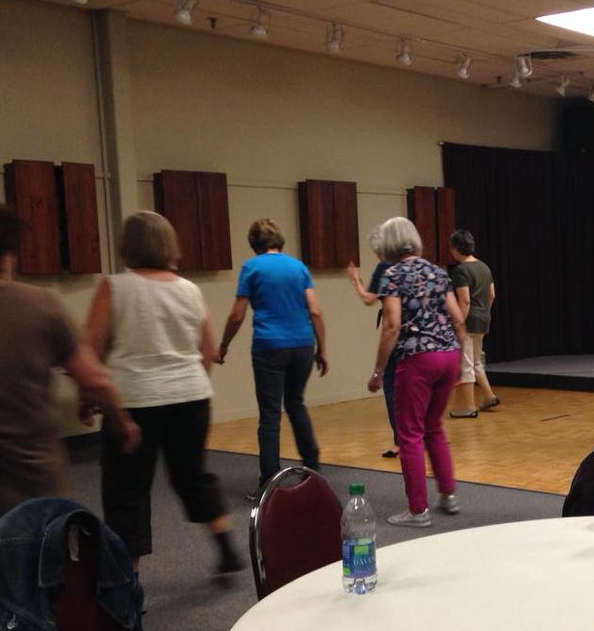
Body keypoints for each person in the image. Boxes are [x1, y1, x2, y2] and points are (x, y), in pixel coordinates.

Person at [0, 201, 138, 560]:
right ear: (6, 255)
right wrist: (121, 423)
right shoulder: (40, 305)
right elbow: (94, 380)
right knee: (39, 574)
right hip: (29, 476)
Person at [84, 211, 242, 575]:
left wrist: (89, 395)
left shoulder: (115, 286)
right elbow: (207, 350)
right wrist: (188, 383)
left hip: (135, 400)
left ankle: (129, 577)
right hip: (191, 397)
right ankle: (225, 545)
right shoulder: (188, 289)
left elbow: (90, 345)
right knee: (193, 475)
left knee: (127, 488)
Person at [366, 217, 465, 527]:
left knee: (409, 434)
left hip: (416, 359)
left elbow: (392, 325)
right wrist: (462, 358)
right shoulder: (437, 271)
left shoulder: (392, 275)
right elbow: (457, 318)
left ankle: (417, 510)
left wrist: (378, 370)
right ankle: (448, 495)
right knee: (433, 426)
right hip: (447, 355)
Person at [217, 219, 327, 498]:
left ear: (254, 244)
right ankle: (313, 469)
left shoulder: (251, 268)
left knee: (269, 414)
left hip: (269, 347)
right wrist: (322, 348)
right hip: (302, 344)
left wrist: (223, 345)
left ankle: (269, 481)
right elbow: (315, 311)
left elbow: (236, 314)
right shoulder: (299, 267)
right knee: (296, 404)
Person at [347, 229, 398, 459]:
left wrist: (355, 281)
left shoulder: (385, 267)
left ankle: (401, 441)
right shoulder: (413, 264)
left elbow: (369, 298)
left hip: (396, 334)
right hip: (421, 338)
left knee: (389, 384)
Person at [446, 229, 499, 418]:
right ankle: (489, 396)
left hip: (469, 321)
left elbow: (465, 301)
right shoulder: (484, 267)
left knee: (467, 363)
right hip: (484, 318)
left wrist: (459, 322)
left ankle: (469, 406)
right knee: (476, 360)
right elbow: (492, 294)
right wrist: (484, 312)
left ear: (456, 248)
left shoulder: (461, 271)